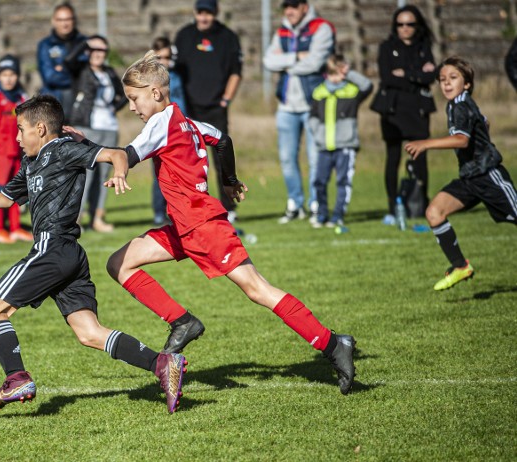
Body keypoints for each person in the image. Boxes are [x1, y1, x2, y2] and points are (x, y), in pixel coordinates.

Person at [98, 51, 355, 394]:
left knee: (257, 289)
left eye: (134, 98)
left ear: (156, 93)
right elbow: (222, 139)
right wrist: (230, 180)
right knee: (119, 263)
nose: (132, 107)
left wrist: (114, 169)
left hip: (203, 226)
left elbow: (125, 156)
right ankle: (182, 322)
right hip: (185, 226)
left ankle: (333, 344)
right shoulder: (187, 122)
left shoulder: (160, 123)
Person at [0, 95, 187, 413]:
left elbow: (116, 154)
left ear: (40, 128)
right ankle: (163, 364)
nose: (18, 137)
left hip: (52, 249)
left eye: (21, 129)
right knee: (89, 333)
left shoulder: (64, 149)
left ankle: (16, 378)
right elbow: (5, 199)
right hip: (68, 255)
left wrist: (120, 172)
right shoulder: (31, 163)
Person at [404, 57, 517, 291]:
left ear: (467, 83)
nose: (446, 83)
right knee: (434, 212)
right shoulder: (457, 104)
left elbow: (461, 140)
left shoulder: (461, 105)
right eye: (442, 79)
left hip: (489, 176)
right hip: (469, 178)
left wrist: (426, 144)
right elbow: (484, 123)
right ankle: (460, 266)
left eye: (453, 78)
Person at [263, 0, 335, 224]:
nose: (289, 11)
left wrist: (284, 62)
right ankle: (295, 204)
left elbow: (315, 63)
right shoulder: (282, 30)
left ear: (305, 6)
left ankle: (316, 205)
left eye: (294, 6)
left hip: (313, 103)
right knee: (286, 158)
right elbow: (268, 61)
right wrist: (296, 57)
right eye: (286, 7)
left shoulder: (321, 28)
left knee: (315, 158)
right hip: (286, 105)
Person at [174, 0, 243, 223]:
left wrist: (225, 100)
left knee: (221, 158)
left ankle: (228, 207)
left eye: (208, 13)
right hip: (189, 110)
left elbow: (236, 71)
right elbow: (175, 73)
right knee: (189, 160)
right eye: (200, 12)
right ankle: (193, 206)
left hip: (216, 108)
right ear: (194, 12)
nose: (203, 17)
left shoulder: (228, 37)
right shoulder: (184, 36)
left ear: (216, 13)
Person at [370, 5, 437, 225]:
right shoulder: (387, 47)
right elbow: (388, 78)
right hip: (393, 109)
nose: (405, 28)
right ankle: (393, 206)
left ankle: (421, 204)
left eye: (409, 24)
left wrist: (407, 74)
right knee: (393, 158)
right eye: (400, 24)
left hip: (417, 110)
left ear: (417, 26)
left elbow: (431, 76)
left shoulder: (423, 47)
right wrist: (417, 75)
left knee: (420, 157)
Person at [65, 34, 127, 233]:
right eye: (94, 50)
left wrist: (113, 108)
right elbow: (68, 60)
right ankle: (77, 219)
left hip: (109, 127)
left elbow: (124, 93)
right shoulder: (81, 70)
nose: (98, 54)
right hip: (87, 127)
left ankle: (98, 217)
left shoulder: (109, 72)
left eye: (102, 50)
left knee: (104, 176)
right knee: (86, 175)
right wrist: (85, 43)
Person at [308, 54, 373, 228]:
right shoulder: (319, 92)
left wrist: (349, 73)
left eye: (339, 74)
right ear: (327, 73)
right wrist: (317, 133)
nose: (335, 78)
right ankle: (322, 215)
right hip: (323, 146)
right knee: (319, 181)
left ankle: (337, 216)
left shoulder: (351, 91)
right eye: (332, 73)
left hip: (345, 146)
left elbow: (368, 85)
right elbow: (313, 116)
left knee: (343, 181)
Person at [0, 55, 32, 244]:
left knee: (17, 189)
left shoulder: (22, 97)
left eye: (12, 74)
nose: (8, 79)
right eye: (4, 75)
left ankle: (16, 227)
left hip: (18, 151)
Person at [149, 37, 186, 226]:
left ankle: (178, 210)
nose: (164, 61)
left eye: (166, 57)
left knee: (181, 173)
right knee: (161, 173)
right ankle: (158, 211)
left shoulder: (177, 76)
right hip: (162, 130)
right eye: (159, 58)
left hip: (180, 130)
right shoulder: (150, 82)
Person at [36, 2, 87, 116]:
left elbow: (87, 74)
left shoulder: (84, 43)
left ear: (74, 20)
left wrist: (62, 69)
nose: (64, 24)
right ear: (53, 21)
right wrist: (74, 73)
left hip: (80, 107)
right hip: (53, 109)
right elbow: (50, 77)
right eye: (60, 20)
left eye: (68, 19)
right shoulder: (45, 45)